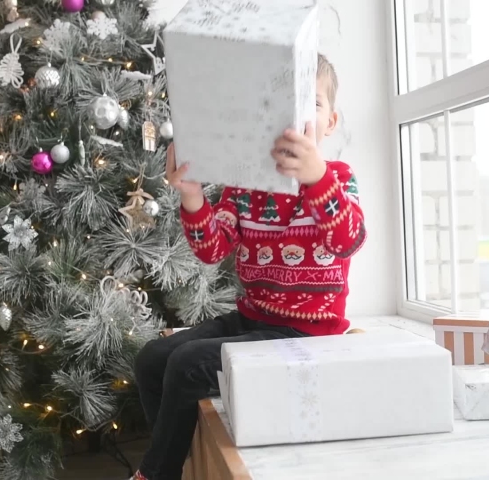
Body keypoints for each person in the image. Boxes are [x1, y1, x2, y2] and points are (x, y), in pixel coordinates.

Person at [132, 54, 366, 480]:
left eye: (309, 104)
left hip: (308, 335)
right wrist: (192, 197)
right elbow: (211, 249)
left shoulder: (338, 176)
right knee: (152, 358)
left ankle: (156, 473)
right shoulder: (245, 187)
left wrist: (316, 180)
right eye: (280, 106)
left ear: (330, 123)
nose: (293, 117)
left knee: (186, 364)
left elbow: (347, 238)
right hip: (252, 318)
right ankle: (175, 461)